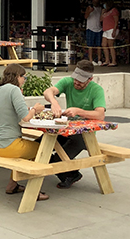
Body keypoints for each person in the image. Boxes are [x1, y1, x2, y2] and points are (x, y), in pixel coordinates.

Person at [0, 64, 49, 201]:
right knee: (43, 150)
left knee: (28, 148)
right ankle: (33, 191)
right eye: (23, 77)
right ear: (17, 77)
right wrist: (35, 109)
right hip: (7, 145)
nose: (24, 80)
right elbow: (26, 117)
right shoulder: (14, 90)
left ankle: (12, 185)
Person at [43, 60, 106, 189]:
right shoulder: (68, 82)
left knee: (57, 160)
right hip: (65, 128)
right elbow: (48, 91)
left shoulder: (97, 90)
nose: (76, 82)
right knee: (38, 148)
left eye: (81, 80)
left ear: (90, 79)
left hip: (84, 134)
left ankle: (72, 174)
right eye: (75, 79)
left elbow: (100, 115)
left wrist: (79, 112)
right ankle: (70, 173)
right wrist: (54, 101)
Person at [85, 0, 104, 65]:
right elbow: (85, 16)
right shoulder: (89, 7)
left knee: (99, 45)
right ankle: (91, 60)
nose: (95, 3)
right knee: (90, 45)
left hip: (99, 29)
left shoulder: (101, 9)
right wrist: (89, 11)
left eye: (97, 1)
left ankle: (99, 60)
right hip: (90, 28)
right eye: (94, 1)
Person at [101, 2, 120, 67]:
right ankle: (107, 60)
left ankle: (114, 61)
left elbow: (116, 21)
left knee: (110, 45)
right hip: (105, 29)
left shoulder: (114, 10)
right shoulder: (105, 12)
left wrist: (114, 30)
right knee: (103, 44)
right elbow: (100, 20)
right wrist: (102, 12)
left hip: (112, 29)